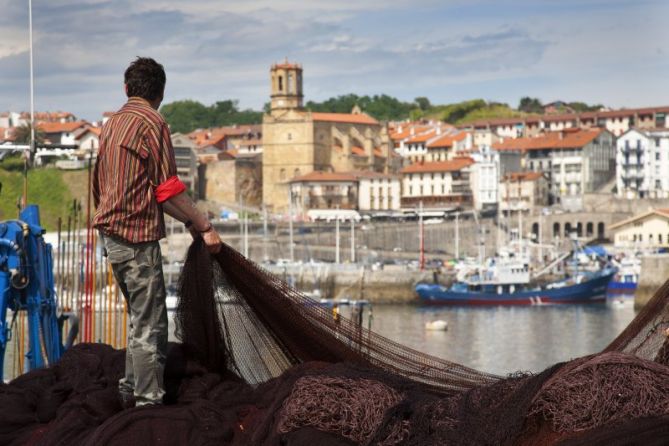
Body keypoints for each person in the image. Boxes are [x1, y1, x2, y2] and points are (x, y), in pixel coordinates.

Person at [92, 57, 222, 407]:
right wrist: (204, 224)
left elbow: (136, 188)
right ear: (161, 93)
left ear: (126, 89)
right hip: (136, 238)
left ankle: (128, 391)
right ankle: (147, 405)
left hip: (112, 236)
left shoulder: (112, 124)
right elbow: (166, 188)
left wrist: (187, 219)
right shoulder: (152, 122)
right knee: (151, 327)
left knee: (139, 319)